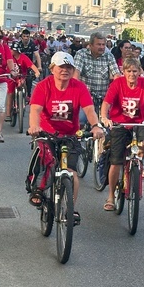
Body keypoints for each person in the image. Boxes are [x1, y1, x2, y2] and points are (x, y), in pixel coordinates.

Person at [27, 52, 105, 219]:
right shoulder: (43, 86)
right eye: (61, 67)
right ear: (52, 68)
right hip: (47, 133)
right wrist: (34, 126)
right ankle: (38, 190)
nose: (65, 70)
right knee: (46, 162)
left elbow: (89, 109)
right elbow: (35, 109)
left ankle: (70, 209)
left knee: (71, 173)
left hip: (70, 135)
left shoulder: (79, 87)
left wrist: (95, 126)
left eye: (69, 67)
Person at [100, 57, 144, 210]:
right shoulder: (117, 84)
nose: (132, 74)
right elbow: (107, 102)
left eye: (135, 71)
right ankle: (111, 196)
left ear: (140, 72)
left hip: (140, 123)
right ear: (123, 72)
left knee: (143, 145)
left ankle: (139, 161)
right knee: (116, 162)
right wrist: (104, 117)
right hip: (120, 124)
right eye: (128, 71)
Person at [72, 32, 121, 111]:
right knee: (81, 119)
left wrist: (117, 90)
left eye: (103, 44)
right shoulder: (81, 54)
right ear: (90, 45)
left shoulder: (109, 56)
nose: (102, 47)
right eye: (98, 44)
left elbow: (116, 74)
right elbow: (76, 74)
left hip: (104, 98)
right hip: (85, 97)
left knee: (109, 121)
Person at [5, 41, 40, 124]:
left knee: (23, 83)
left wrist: (37, 72)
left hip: (21, 77)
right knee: (10, 94)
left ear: (17, 50)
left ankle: (23, 99)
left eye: (12, 49)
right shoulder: (9, 58)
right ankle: (8, 114)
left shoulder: (23, 57)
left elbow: (31, 65)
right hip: (11, 78)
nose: (11, 51)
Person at [17, 29, 42, 94]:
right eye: (24, 36)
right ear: (21, 36)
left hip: (29, 65)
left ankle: (28, 94)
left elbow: (37, 55)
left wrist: (39, 66)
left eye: (27, 36)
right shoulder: (18, 44)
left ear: (29, 37)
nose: (26, 38)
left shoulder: (32, 44)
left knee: (29, 79)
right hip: (19, 65)